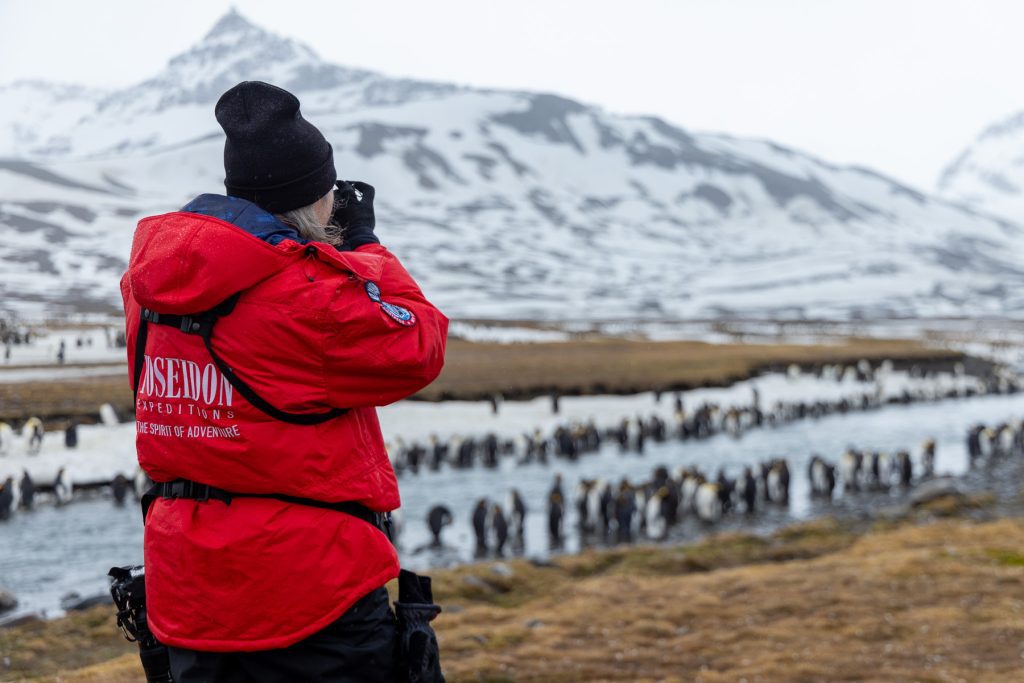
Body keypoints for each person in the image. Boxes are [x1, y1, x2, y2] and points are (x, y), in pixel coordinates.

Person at [120, 81, 448, 682]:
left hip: (189, 589)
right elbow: (418, 344)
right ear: (314, 202)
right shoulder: (309, 299)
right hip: (311, 597)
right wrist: (366, 250)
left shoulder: (148, 287)